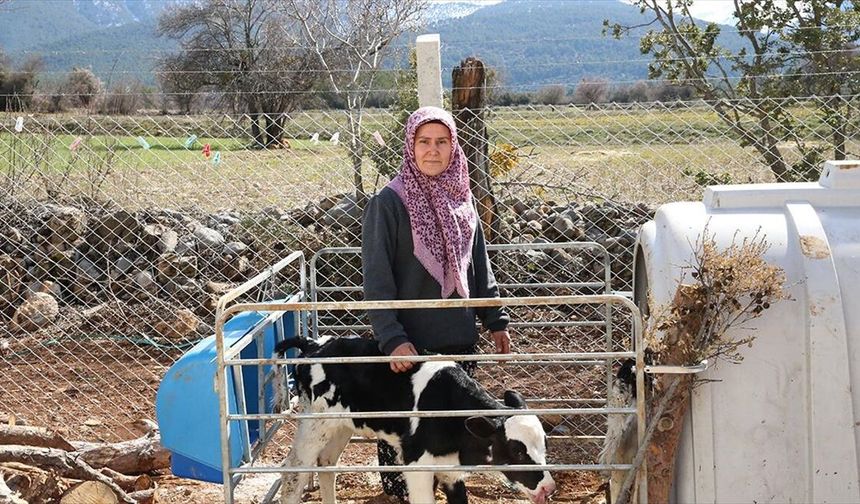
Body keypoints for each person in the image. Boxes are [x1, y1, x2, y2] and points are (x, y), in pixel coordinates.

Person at [361, 106, 511, 501]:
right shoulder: (389, 203)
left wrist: (494, 317)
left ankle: (450, 491)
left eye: (441, 142)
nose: (433, 150)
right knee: (405, 434)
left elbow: (479, 266)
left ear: (454, 146)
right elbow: (377, 279)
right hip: (408, 348)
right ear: (410, 146)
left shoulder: (463, 198)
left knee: (452, 431)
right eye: (423, 142)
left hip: (458, 340)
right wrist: (390, 338)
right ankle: (400, 496)